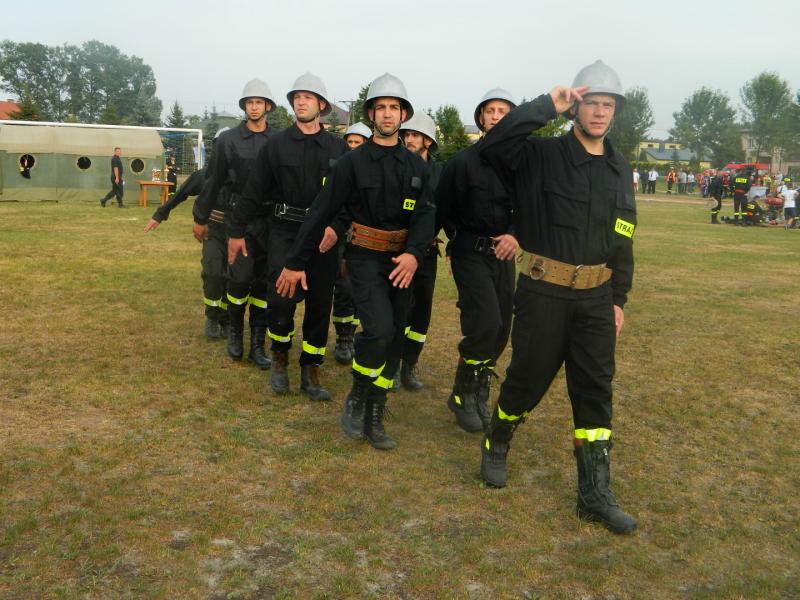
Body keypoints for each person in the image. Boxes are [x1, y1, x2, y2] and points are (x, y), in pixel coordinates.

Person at [478, 60, 638, 535]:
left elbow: (624, 235)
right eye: (592, 103)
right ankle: (497, 438)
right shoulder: (541, 154)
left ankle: (594, 494)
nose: (600, 112)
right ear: (576, 108)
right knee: (527, 378)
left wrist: (618, 299)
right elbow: (493, 144)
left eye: (608, 105)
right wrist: (546, 105)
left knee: (595, 390)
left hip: (596, 298)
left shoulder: (619, 167)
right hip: (544, 292)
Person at [275, 72, 434, 450]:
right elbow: (321, 211)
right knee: (377, 330)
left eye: (394, 107)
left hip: (402, 263)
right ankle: (359, 393)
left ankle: (375, 413)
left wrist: (414, 254)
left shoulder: (417, 168)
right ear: (371, 114)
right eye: (380, 107)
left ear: (404, 114)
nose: (387, 114)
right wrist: (295, 262)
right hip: (364, 259)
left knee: (394, 339)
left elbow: (426, 216)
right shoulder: (351, 163)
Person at [229, 72, 348, 401]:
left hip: (324, 239)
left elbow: (348, 199)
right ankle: (280, 359)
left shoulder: (338, 149)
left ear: (321, 105)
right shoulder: (276, 146)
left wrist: (336, 227)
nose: (301, 102)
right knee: (280, 301)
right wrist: (236, 230)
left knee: (320, 306)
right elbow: (253, 192)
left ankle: (311, 371)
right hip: (285, 232)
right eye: (297, 97)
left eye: (308, 97)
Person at [436, 87, 517, 432]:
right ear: (480, 118)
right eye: (490, 111)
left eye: (503, 111)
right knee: (484, 322)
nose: (496, 116)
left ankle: (479, 390)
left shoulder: (519, 164)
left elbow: (529, 208)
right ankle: (462, 394)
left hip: (504, 255)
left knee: (501, 329)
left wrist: (516, 234)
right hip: (469, 252)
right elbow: (440, 209)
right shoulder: (460, 163)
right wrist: (434, 247)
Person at [194, 79, 275, 368]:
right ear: (244, 107)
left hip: (269, 221)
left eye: (259, 102)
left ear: (267, 106)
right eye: (249, 102)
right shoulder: (228, 140)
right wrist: (201, 217)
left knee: (263, 285)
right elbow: (213, 181)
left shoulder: (278, 142)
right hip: (237, 220)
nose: (254, 107)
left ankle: (257, 345)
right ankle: (235, 334)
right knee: (239, 279)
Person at [144, 128, 230, 338]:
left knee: (233, 278)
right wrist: (160, 214)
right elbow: (180, 194)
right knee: (213, 273)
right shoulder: (205, 175)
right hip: (213, 230)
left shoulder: (244, 175)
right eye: (221, 146)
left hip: (239, 233)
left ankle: (227, 320)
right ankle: (212, 318)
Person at [397, 111, 444, 391]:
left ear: (428, 140)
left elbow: (448, 211)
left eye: (415, 135)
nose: (409, 139)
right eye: (407, 134)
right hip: (399, 250)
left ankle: (409, 365)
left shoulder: (440, 173)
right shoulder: (398, 167)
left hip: (427, 253)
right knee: (399, 306)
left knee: (422, 310)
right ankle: (392, 363)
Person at [331, 121, 373, 365]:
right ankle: (343, 339)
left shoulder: (373, 169)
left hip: (365, 239)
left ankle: (354, 334)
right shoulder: (339, 169)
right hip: (340, 237)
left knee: (360, 289)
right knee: (344, 287)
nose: (353, 146)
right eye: (350, 141)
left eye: (358, 142)